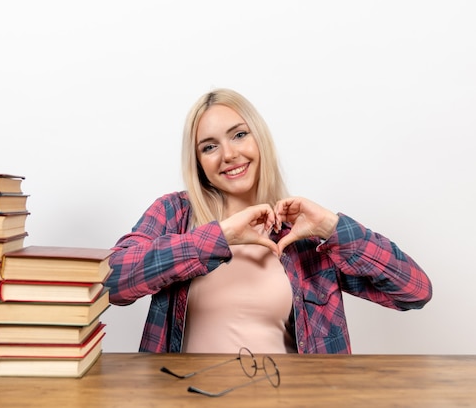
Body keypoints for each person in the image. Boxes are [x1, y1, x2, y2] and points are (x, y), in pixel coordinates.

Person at [105, 88, 432, 354]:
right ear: (198, 162)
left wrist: (331, 227)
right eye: (209, 146)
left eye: (239, 135)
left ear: (259, 139)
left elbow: (413, 291)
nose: (229, 155)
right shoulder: (174, 213)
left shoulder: (301, 234)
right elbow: (113, 281)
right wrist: (220, 236)